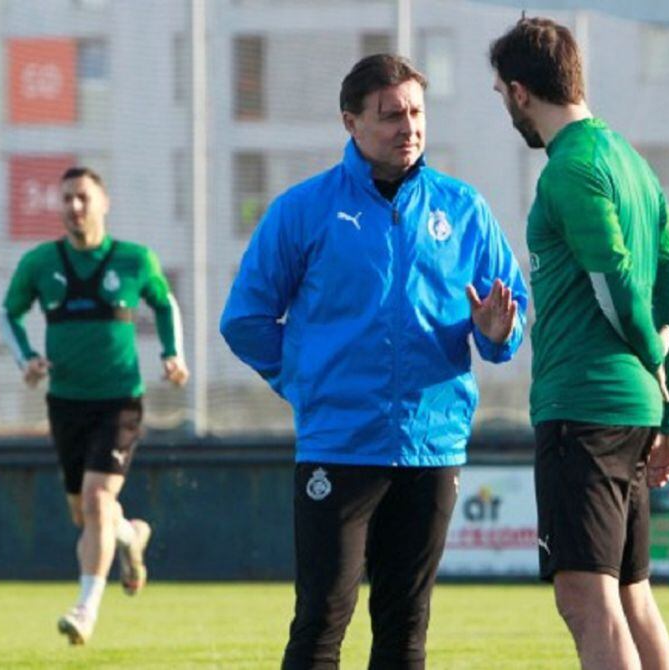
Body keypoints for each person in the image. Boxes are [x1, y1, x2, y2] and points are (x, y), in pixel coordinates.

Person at [221, 54, 528, 670]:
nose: (408, 127)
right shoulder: (303, 210)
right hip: (338, 445)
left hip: (432, 447)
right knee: (320, 624)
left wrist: (498, 333)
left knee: (405, 631)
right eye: (390, 115)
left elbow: (508, 316)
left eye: (416, 112)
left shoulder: (463, 208)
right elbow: (245, 319)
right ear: (351, 122)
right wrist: (306, 380)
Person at [489, 17, 669, 670]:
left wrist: (654, 360)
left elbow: (616, 287)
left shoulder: (571, 169)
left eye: (500, 94)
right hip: (631, 413)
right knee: (632, 597)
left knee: (586, 599)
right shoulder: (630, 162)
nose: (506, 108)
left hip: (583, 410)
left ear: (520, 92)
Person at [1, 166, 189, 646]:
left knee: (97, 500)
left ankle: (85, 610)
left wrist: (173, 354)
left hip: (120, 400)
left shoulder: (134, 259)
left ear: (104, 203)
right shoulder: (40, 262)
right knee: (86, 516)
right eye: (66, 198)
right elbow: (9, 313)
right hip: (66, 402)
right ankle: (130, 535)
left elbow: (165, 304)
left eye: (83, 197)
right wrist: (27, 358)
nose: (75, 206)